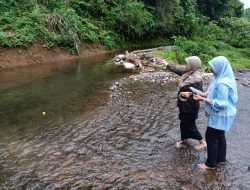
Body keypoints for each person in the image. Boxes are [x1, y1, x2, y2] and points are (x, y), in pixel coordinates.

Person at [193, 56, 238, 169]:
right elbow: (210, 93)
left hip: (220, 114)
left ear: (219, 67)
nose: (211, 69)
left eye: (213, 67)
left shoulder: (222, 83)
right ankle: (221, 159)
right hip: (223, 114)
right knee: (220, 135)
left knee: (211, 136)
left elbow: (222, 103)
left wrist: (202, 99)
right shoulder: (220, 78)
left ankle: (210, 164)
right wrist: (198, 94)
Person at [160, 56, 207, 150]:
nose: (186, 65)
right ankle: (184, 139)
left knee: (190, 124)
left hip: (191, 106)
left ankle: (202, 142)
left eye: (188, 64)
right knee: (183, 122)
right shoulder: (188, 73)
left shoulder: (197, 79)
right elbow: (179, 71)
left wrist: (189, 94)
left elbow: (199, 94)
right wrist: (167, 64)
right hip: (184, 105)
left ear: (193, 65)